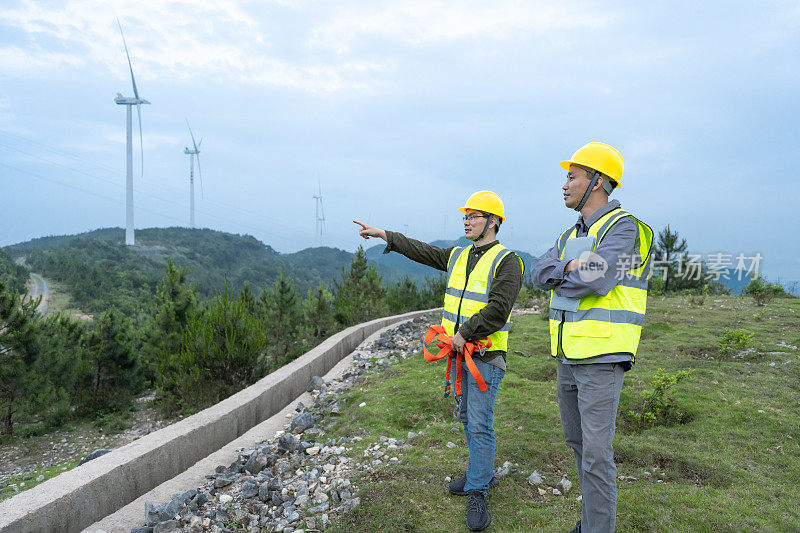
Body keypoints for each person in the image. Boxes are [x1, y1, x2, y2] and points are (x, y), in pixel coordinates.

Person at [354, 191, 523, 532]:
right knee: (465, 416)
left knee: (479, 421)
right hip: (458, 353)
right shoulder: (459, 254)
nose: (466, 221)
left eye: (474, 216)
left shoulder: (508, 261)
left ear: (493, 222)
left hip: (485, 357)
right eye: (466, 216)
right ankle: (481, 472)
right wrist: (386, 235)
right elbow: (423, 251)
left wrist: (466, 331)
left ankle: (478, 489)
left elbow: (498, 309)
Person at [529, 142, 653, 533]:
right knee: (579, 446)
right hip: (568, 354)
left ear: (597, 181)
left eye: (572, 176)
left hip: (602, 355)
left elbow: (597, 278)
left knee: (597, 455)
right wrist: (568, 264)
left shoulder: (625, 228)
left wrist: (563, 272)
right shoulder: (570, 234)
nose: (564, 184)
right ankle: (590, 523)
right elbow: (537, 272)